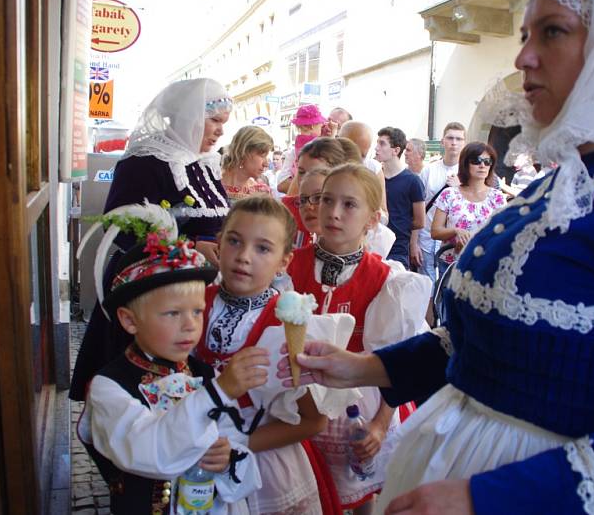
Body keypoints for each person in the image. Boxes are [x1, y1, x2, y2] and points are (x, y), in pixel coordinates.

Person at [281, 0, 594, 513]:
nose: (523, 57)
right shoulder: (549, 190)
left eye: (552, 31)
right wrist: (362, 366)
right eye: (524, 34)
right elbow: (478, 343)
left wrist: (488, 496)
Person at [80, 205, 266, 514]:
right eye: (172, 313)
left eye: (196, 311)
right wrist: (217, 394)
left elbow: (235, 440)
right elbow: (149, 450)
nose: (190, 325)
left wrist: (228, 455)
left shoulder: (205, 374)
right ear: (129, 320)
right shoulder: (108, 388)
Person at [69, 78, 233, 402]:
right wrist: (186, 244)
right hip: (152, 291)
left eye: (223, 123)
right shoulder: (144, 161)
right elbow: (120, 225)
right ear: (190, 117)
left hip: (195, 290)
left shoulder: (205, 165)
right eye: (214, 121)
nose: (220, 131)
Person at [287, 164, 432, 514]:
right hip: (294, 407)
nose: (333, 213)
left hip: (359, 410)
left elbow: (396, 362)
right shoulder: (288, 266)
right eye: (326, 200)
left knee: (363, 500)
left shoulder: (387, 280)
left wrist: (381, 424)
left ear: (372, 218)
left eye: (349, 205)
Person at [198, 196, 342, 514]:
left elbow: (313, 421)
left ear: (284, 261)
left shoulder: (287, 324)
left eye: (263, 248)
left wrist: (240, 443)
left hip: (264, 463)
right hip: (193, 453)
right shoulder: (192, 304)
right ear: (218, 244)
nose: (244, 257)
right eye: (235, 241)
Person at [430, 142, 506, 277]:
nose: (482, 165)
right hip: (451, 264)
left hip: (484, 264)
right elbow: (435, 232)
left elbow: (503, 233)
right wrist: (455, 231)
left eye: (487, 161)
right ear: (466, 164)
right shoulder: (449, 194)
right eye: (476, 161)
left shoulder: (498, 197)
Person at [416, 123, 466, 283]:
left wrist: (460, 187)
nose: (454, 143)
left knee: (449, 286)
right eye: (450, 138)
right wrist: (413, 242)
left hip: (455, 240)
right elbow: (419, 207)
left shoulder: (469, 173)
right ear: (442, 142)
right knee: (427, 287)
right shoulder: (429, 170)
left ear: (464, 143)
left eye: (459, 139)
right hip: (426, 237)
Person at [375, 127, 425, 269]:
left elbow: (420, 221)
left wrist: (400, 227)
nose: (376, 148)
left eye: (382, 144)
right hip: (374, 245)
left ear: (396, 150)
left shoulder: (412, 181)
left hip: (398, 249)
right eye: (377, 143)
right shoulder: (374, 178)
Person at [278, 104, 327, 194]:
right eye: (320, 126)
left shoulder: (298, 143)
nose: (322, 127)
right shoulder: (316, 143)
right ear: (312, 126)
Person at [221, 125, 274, 202]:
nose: (266, 164)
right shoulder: (211, 185)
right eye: (262, 155)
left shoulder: (261, 193)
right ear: (242, 152)